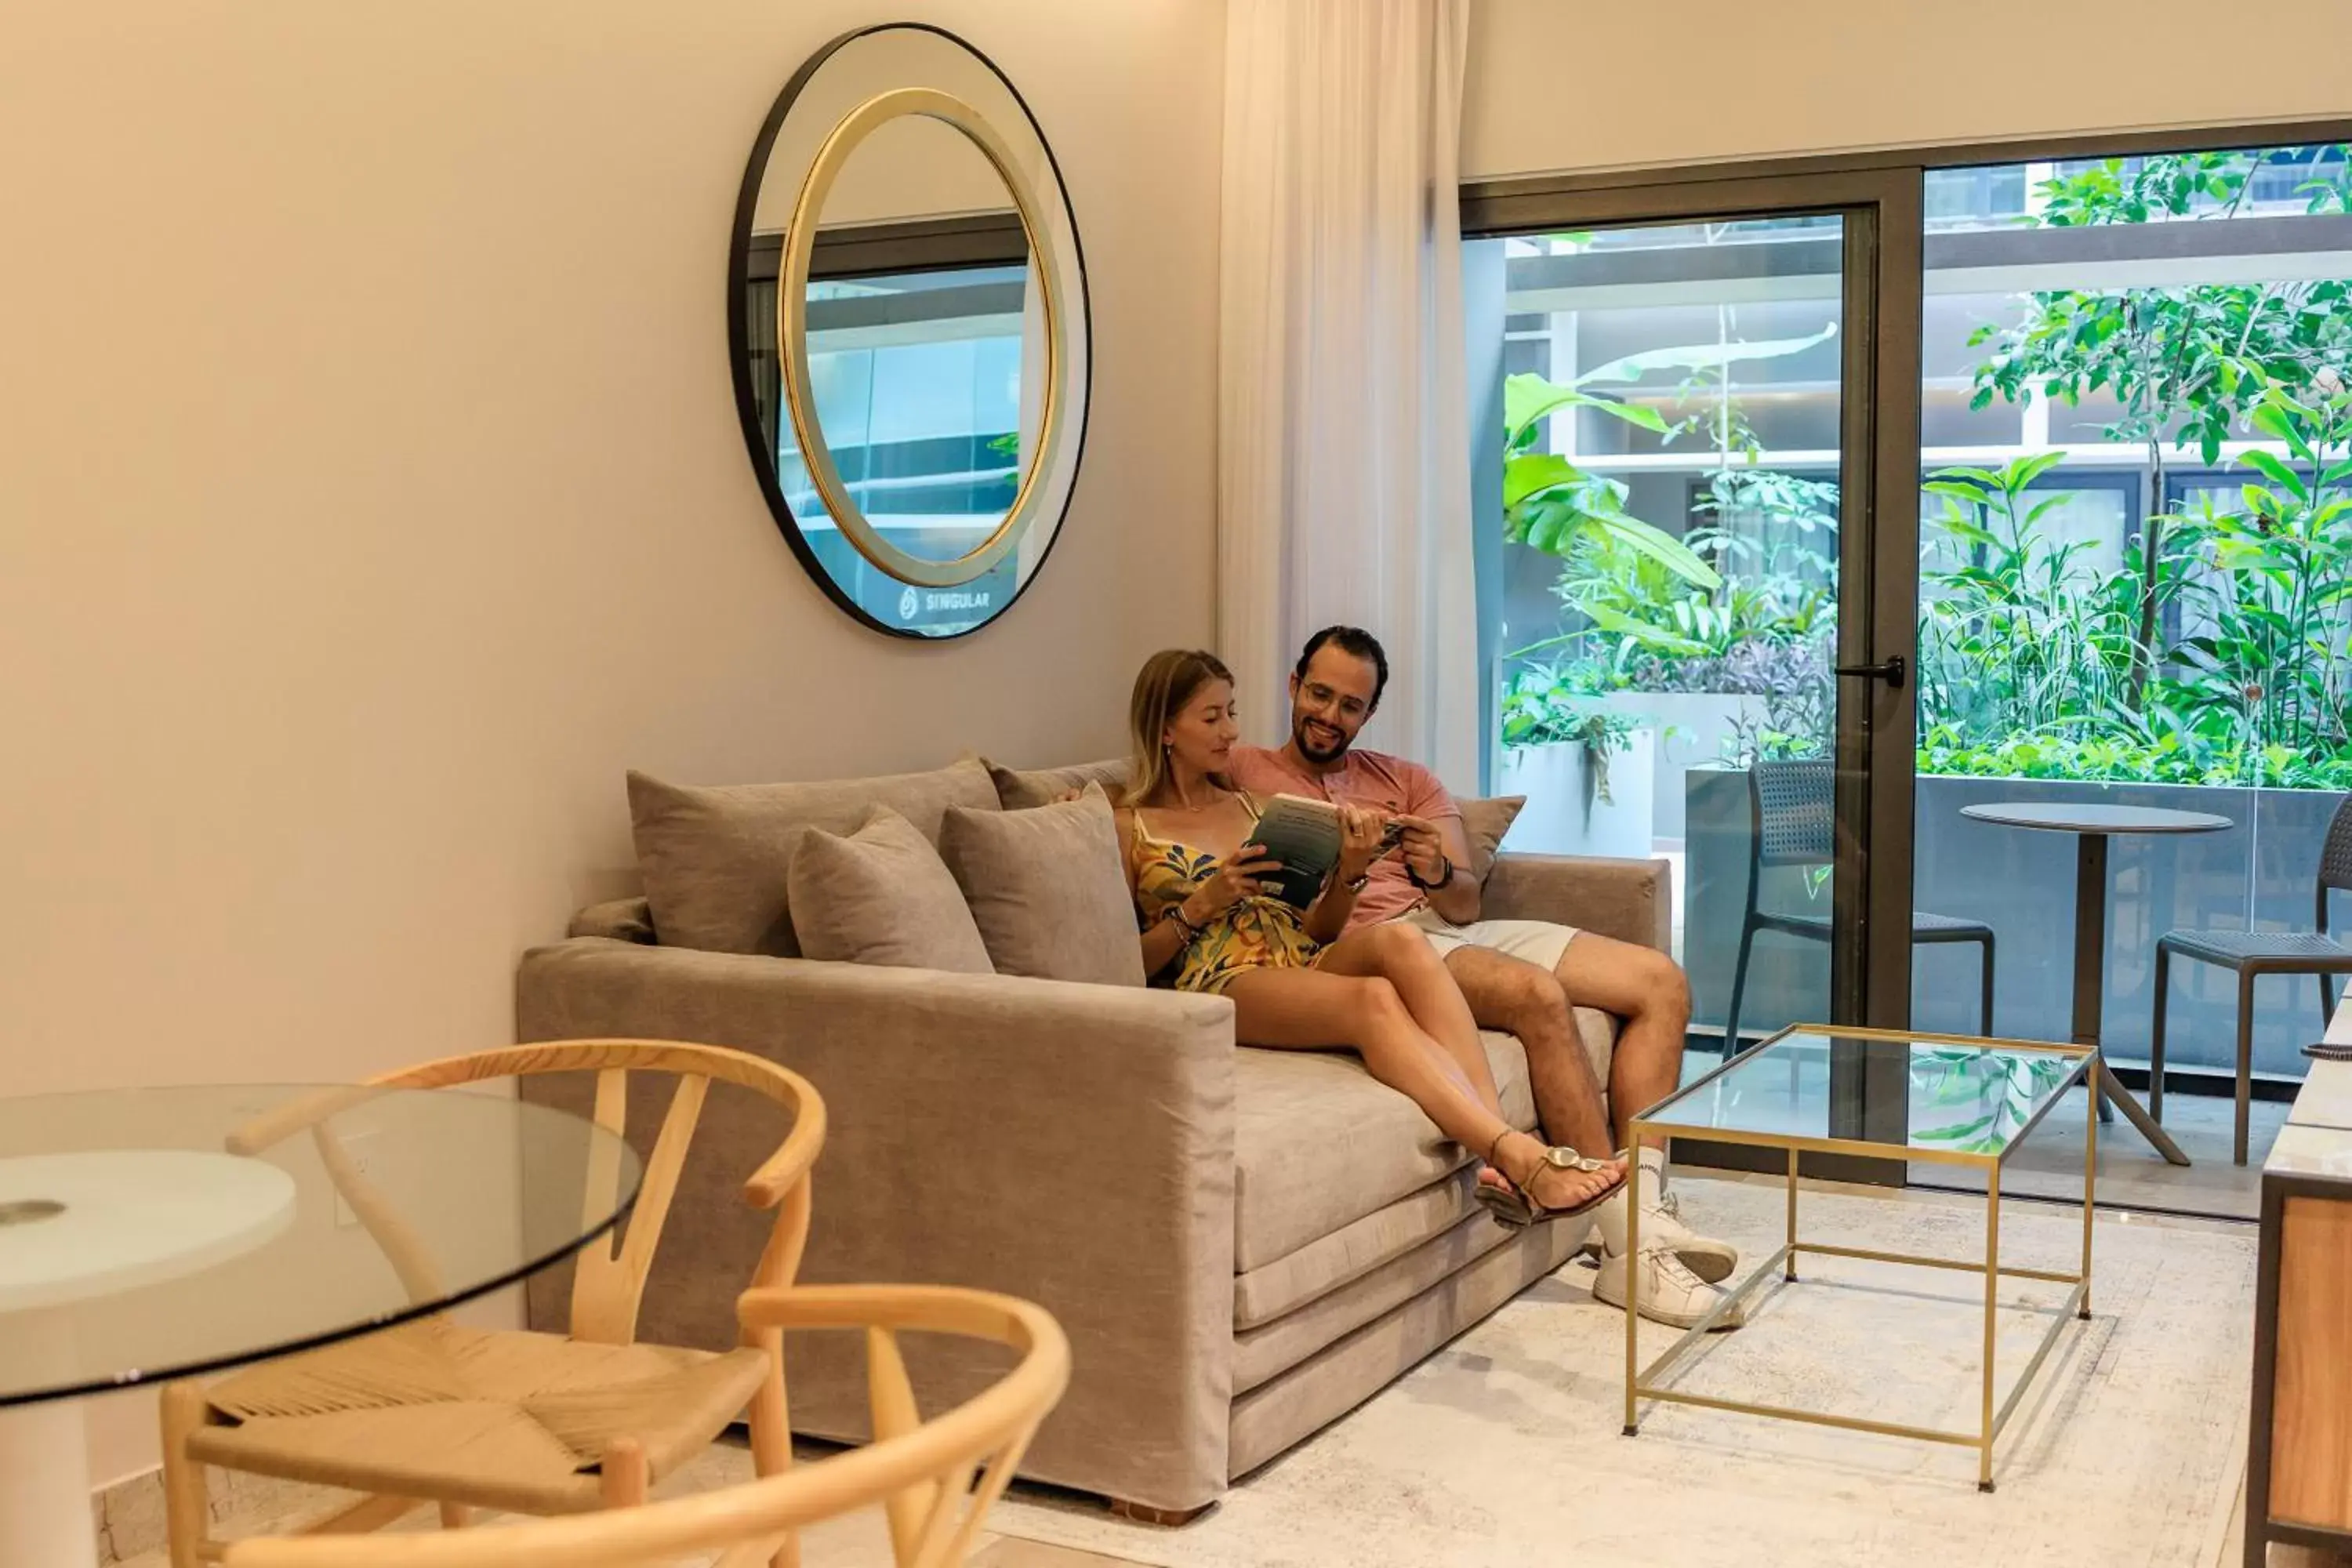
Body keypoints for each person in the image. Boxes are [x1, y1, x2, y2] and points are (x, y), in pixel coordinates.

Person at [1228, 626, 1744, 1330]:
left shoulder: (1405, 780)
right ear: (1293, 686)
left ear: (1369, 714)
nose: (1330, 715)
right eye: (1319, 695)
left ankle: (1643, 1212)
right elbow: (1162, 791)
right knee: (1537, 994)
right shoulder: (1242, 771)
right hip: (1369, 945)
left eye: (1351, 705)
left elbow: (1465, 903)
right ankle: (1634, 1252)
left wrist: (1431, 864)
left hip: (1441, 925)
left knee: (1660, 981)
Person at [1116, 648, 1625, 1224]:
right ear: (1165, 728)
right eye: (1212, 718)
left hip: (1304, 955)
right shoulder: (1125, 825)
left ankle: (1498, 1151)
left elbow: (1319, 928)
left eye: (1231, 712)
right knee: (1373, 999)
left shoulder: (1249, 804)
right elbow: (1121, 967)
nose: (1231, 731)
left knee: (1401, 943)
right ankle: (1513, 1154)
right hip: (1223, 977)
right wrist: (1203, 904)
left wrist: (1350, 871)